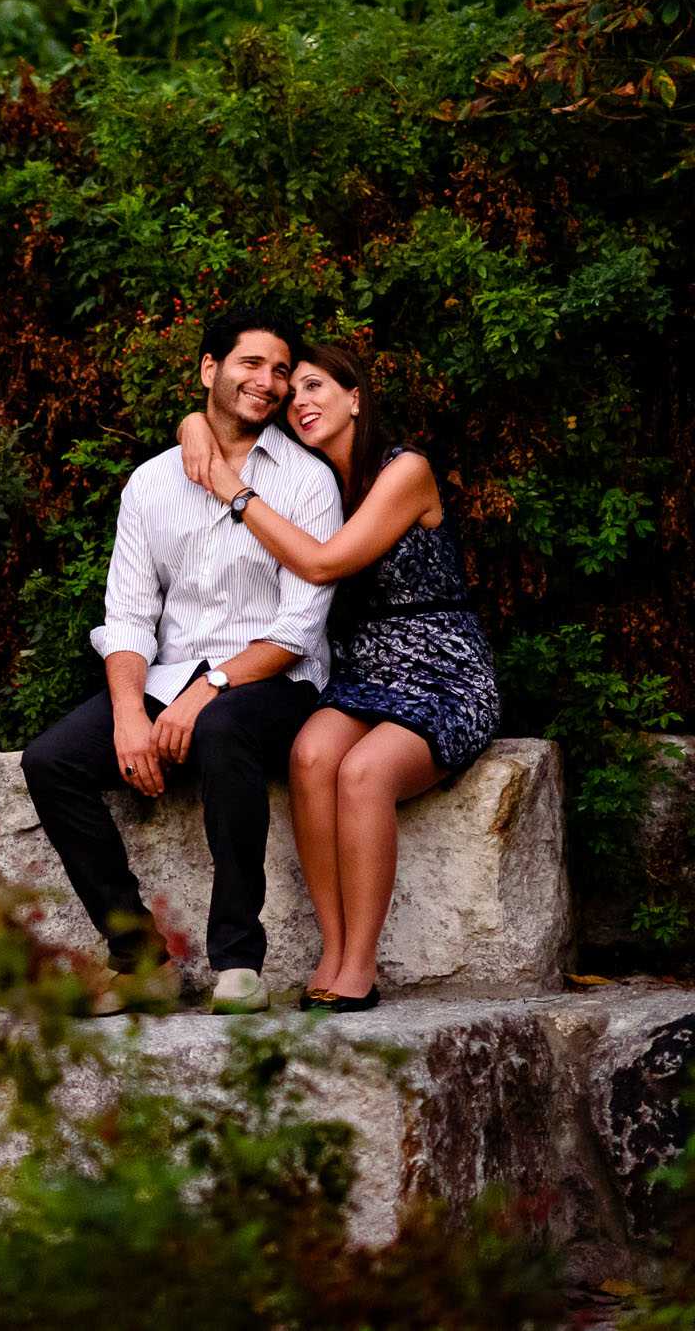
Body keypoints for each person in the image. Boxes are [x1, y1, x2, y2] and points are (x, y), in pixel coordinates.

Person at [19, 307, 342, 1016]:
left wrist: (211, 688)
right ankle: (139, 959)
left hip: (276, 681)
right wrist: (131, 713)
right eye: (251, 363)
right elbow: (130, 616)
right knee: (52, 760)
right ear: (209, 370)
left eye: (281, 369)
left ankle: (237, 962)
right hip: (169, 679)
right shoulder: (151, 484)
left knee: (224, 727)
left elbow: (298, 625)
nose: (268, 380)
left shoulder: (308, 481)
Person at [175, 343, 499, 1013]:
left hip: (442, 669)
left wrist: (235, 494)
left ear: (357, 397)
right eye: (294, 398)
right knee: (311, 753)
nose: (302, 403)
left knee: (363, 773)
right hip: (363, 669)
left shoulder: (405, 470)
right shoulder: (314, 481)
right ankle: (331, 945)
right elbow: (215, 422)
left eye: (318, 387)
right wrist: (193, 425)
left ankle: (360, 962)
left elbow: (323, 565)